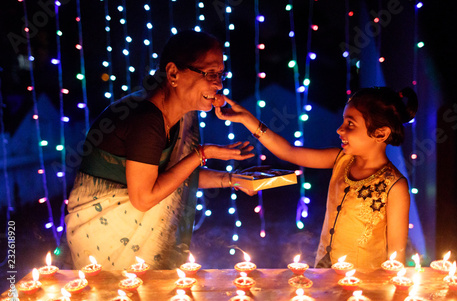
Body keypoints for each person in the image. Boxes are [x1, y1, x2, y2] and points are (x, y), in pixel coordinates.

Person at [65, 31, 254, 271]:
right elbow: (144, 198)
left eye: (221, 75)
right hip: (106, 245)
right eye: (210, 74)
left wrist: (233, 180)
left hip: (126, 244)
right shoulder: (146, 118)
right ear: (173, 73)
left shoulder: (182, 116)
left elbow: (174, 177)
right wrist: (202, 154)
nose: (218, 84)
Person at [216, 87, 418, 272]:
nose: (340, 130)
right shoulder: (340, 160)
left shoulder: (394, 186)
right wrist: (247, 119)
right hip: (324, 270)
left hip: (366, 285)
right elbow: (288, 152)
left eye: (350, 124)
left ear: (380, 133)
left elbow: (396, 257)